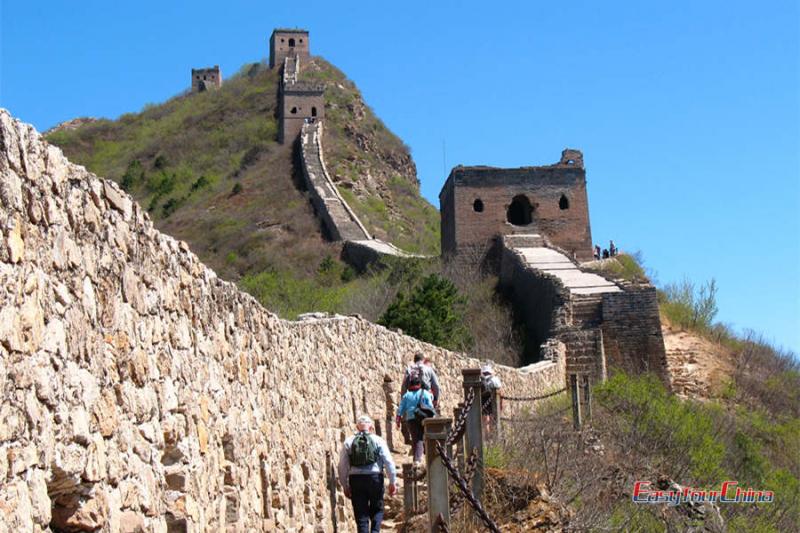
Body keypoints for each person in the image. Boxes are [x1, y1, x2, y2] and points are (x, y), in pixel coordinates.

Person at [338, 415, 397, 533]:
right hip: (375, 478)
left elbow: (342, 466)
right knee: (377, 509)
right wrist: (392, 481)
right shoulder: (378, 440)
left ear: (357, 427)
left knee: (361, 514)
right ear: (371, 427)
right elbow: (389, 461)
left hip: (356, 480)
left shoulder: (349, 441)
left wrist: (345, 485)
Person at [396, 376, 435, 464]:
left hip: (411, 419)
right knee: (422, 438)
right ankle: (420, 458)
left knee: (415, 438)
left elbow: (401, 408)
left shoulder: (407, 395)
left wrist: (398, 420)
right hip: (423, 418)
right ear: (419, 384)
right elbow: (430, 406)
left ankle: (417, 458)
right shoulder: (425, 393)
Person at [480, 363, 502, 436]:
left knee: (485, 422)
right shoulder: (495, 380)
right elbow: (500, 393)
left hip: (483, 402)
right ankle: (494, 437)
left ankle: (487, 438)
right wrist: (501, 405)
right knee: (493, 420)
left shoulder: (480, 380)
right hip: (493, 401)